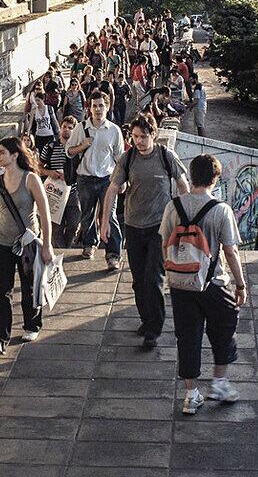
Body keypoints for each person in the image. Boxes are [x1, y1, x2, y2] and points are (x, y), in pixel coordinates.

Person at [159, 154, 247, 413]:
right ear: (215, 178)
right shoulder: (221, 210)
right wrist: (240, 285)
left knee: (187, 336)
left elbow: (165, 243)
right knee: (224, 327)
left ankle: (191, 394)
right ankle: (219, 383)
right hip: (213, 284)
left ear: (192, 177)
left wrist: (177, 272)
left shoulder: (172, 206)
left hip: (180, 283)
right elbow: (230, 252)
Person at [101, 114, 189, 349]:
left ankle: (154, 328)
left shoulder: (165, 156)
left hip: (159, 228)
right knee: (138, 281)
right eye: (135, 137)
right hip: (133, 225)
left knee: (153, 278)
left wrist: (183, 217)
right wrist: (104, 222)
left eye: (143, 136)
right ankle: (146, 319)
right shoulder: (127, 159)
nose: (138, 141)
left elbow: (183, 185)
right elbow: (112, 189)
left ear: (154, 134)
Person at [0, 137, 56, 354]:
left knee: (29, 286)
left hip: (27, 242)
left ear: (15, 155)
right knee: (1, 292)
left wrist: (47, 246)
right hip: (2, 242)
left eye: (2, 152)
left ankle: (32, 324)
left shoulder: (30, 179)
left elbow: (45, 214)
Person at [66, 91, 124, 270]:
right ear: (89, 108)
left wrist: (122, 181)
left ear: (107, 107)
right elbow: (69, 151)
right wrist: (83, 145)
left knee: (110, 216)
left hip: (107, 179)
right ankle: (89, 244)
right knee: (87, 214)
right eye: (94, 106)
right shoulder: (81, 128)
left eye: (101, 105)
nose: (98, 109)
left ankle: (113, 254)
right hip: (85, 178)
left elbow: (119, 158)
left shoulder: (114, 130)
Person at [39, 116, 81, 248]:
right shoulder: (50, 146)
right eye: (64, 127)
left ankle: (66, 248)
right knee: (55, 227)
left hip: (72, 192)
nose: (66, 130)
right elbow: (38, 167)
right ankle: (61, 251)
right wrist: (49, 173)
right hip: (55, 192)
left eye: (70, 128)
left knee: (74, 224)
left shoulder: (77, 149)